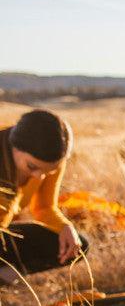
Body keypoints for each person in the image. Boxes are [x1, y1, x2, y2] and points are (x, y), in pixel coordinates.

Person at [0, 110, 88, 287]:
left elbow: (44, 207)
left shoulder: (50, 160)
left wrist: (65, 226)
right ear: (14, 146)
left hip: (3, 234)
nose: (39, 177)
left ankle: (3, 279)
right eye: (32, 166)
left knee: (76, 246)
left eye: (49, 171)